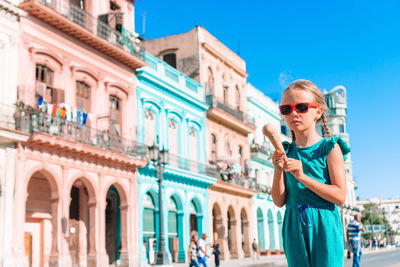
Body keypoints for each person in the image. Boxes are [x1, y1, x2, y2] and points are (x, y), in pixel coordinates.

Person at [270, 80, 350, 267]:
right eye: (286, 109)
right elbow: (279, 201)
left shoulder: (329, 148)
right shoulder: (286, 151)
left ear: (318, 112)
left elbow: (339, 196)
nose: (294, 113)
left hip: (325, 226)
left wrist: (302, 176)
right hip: (294, 227)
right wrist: (277, 169)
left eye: (302, 107)